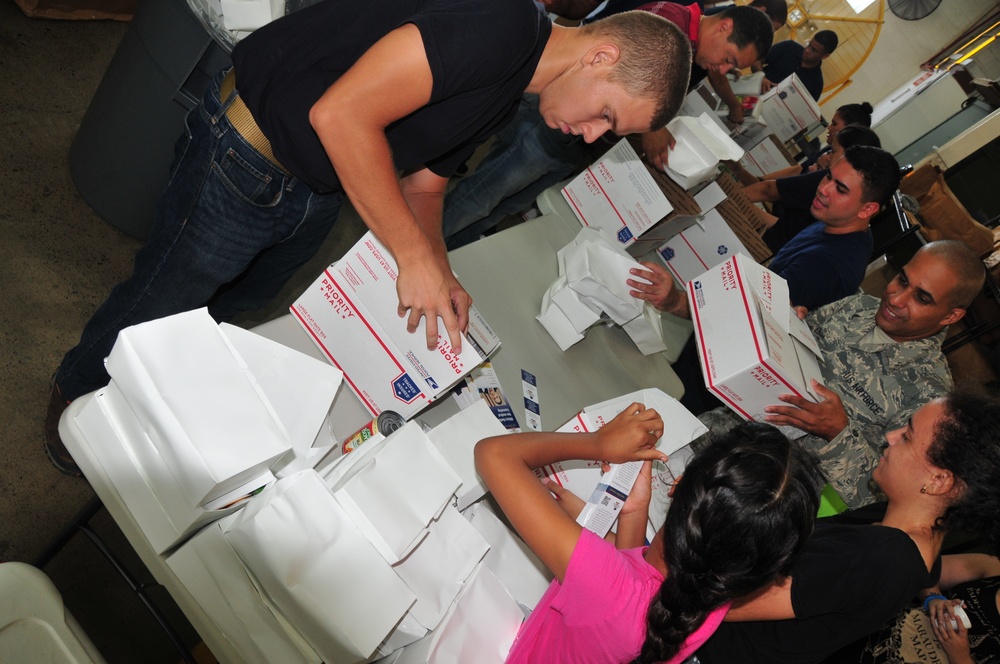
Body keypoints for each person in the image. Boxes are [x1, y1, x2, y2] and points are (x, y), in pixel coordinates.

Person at [44, 1, 694, 476]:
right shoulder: (499, 25)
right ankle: (76, 399)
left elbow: (427, 184)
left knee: (236, 303)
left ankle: (146, 382)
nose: (590, 135)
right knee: (164, 296)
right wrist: (409, 255)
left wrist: (438, 267)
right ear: (602, 55)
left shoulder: (512, 85)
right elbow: (341, 112)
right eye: (606, 115)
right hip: (250, 154)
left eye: (609, 133)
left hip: (315, 188)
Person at [645, 240, 985, 508]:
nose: (896, 298)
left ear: (951, 315)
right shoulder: (857, 307)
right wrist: (788, 329)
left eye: (921, 298)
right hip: (707, 435)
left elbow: (882, 500)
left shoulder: (929, 399)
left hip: (744, 495)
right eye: (901, 279)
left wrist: (838, 432)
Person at [474, 405, 824, 664]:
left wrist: (597, 443)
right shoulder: (711, 598)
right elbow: (637, 601)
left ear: (678, 484)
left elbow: (493, 453)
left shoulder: (606, 587)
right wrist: (633, 512)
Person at [694, 385, 1000, 664]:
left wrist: (698, 506)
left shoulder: (881, 557)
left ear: (937, 481)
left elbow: (724, 605)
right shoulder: (918, 535)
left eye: (907, 436)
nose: (890, 436)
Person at [441, 4, 774, 249]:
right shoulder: (670, 26)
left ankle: (455, 247)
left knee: (506, 203)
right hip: (558, 126)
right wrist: (652, 128)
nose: (722, 68)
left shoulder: (692, 52)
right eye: (729, 58)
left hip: (577, 144)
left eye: (732, 68)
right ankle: (428, 242)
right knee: (485, 193)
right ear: (723, 26)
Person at [629, 145, 900, 316]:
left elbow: (743, 312)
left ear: (867, 210)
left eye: (840, 189)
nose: (824, 188)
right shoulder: (840, 224)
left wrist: (674, 300)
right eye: (828, 176)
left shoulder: (825, 265)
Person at [759, 30, 838, 100]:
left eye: (814, 50)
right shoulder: (788, 47)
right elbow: (757, 60)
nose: (807, 50)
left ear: (825, 56)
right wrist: (762, 77)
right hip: (752, 94)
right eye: (809, 45)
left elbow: (803, 110)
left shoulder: (816, 85)